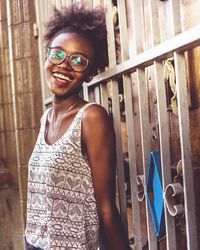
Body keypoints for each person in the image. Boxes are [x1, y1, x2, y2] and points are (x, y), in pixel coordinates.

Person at [25, 4, 130, 250]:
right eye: (58, 54)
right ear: (48, 57)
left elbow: (106, 208)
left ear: (90, 74)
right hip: (33, 243)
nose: (64, 65)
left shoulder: (91, 117)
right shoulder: (45, 119)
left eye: (78, 60)